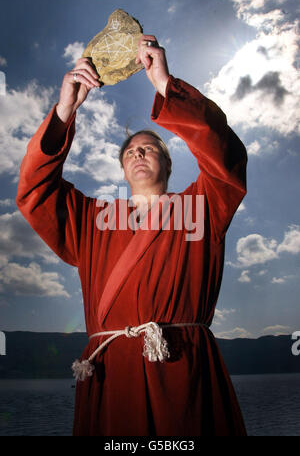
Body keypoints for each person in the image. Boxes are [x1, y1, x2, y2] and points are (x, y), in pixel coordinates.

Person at [16, 34, 247, 436]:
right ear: (123, 170)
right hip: (111, 376)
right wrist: (64, 111)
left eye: (150, 148)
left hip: (182, 371)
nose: (138, 153)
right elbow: (35, 192)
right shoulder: (91, 219)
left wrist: (165, 87)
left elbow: (225, 158)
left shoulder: (204, 206)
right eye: (130, 152)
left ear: (168, 164)